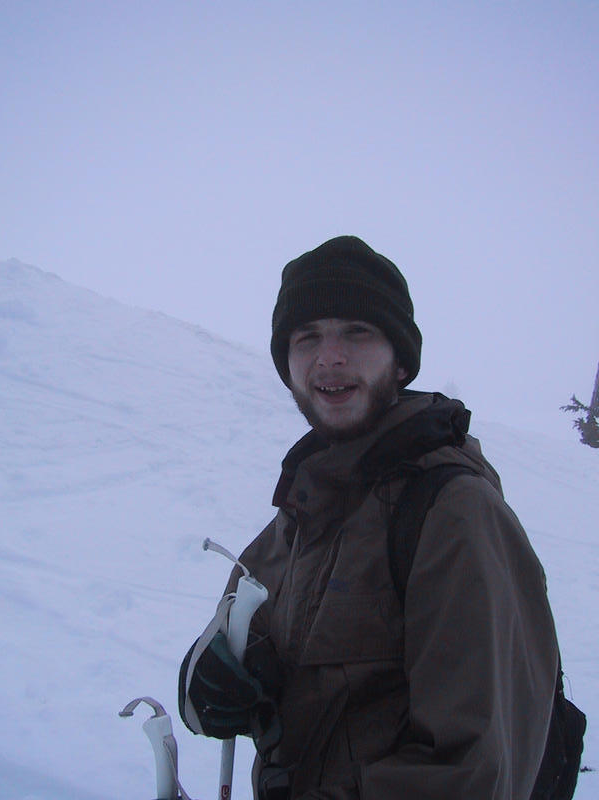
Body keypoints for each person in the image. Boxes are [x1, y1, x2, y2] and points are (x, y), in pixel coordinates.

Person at [180, 235, 559, 800]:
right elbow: (237, 635)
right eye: (307, 337)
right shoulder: (306, 504)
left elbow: (470, 771)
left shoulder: (452, 513)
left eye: (357, 331)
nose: (330, 356)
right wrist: (207, 680)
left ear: (400, 361)